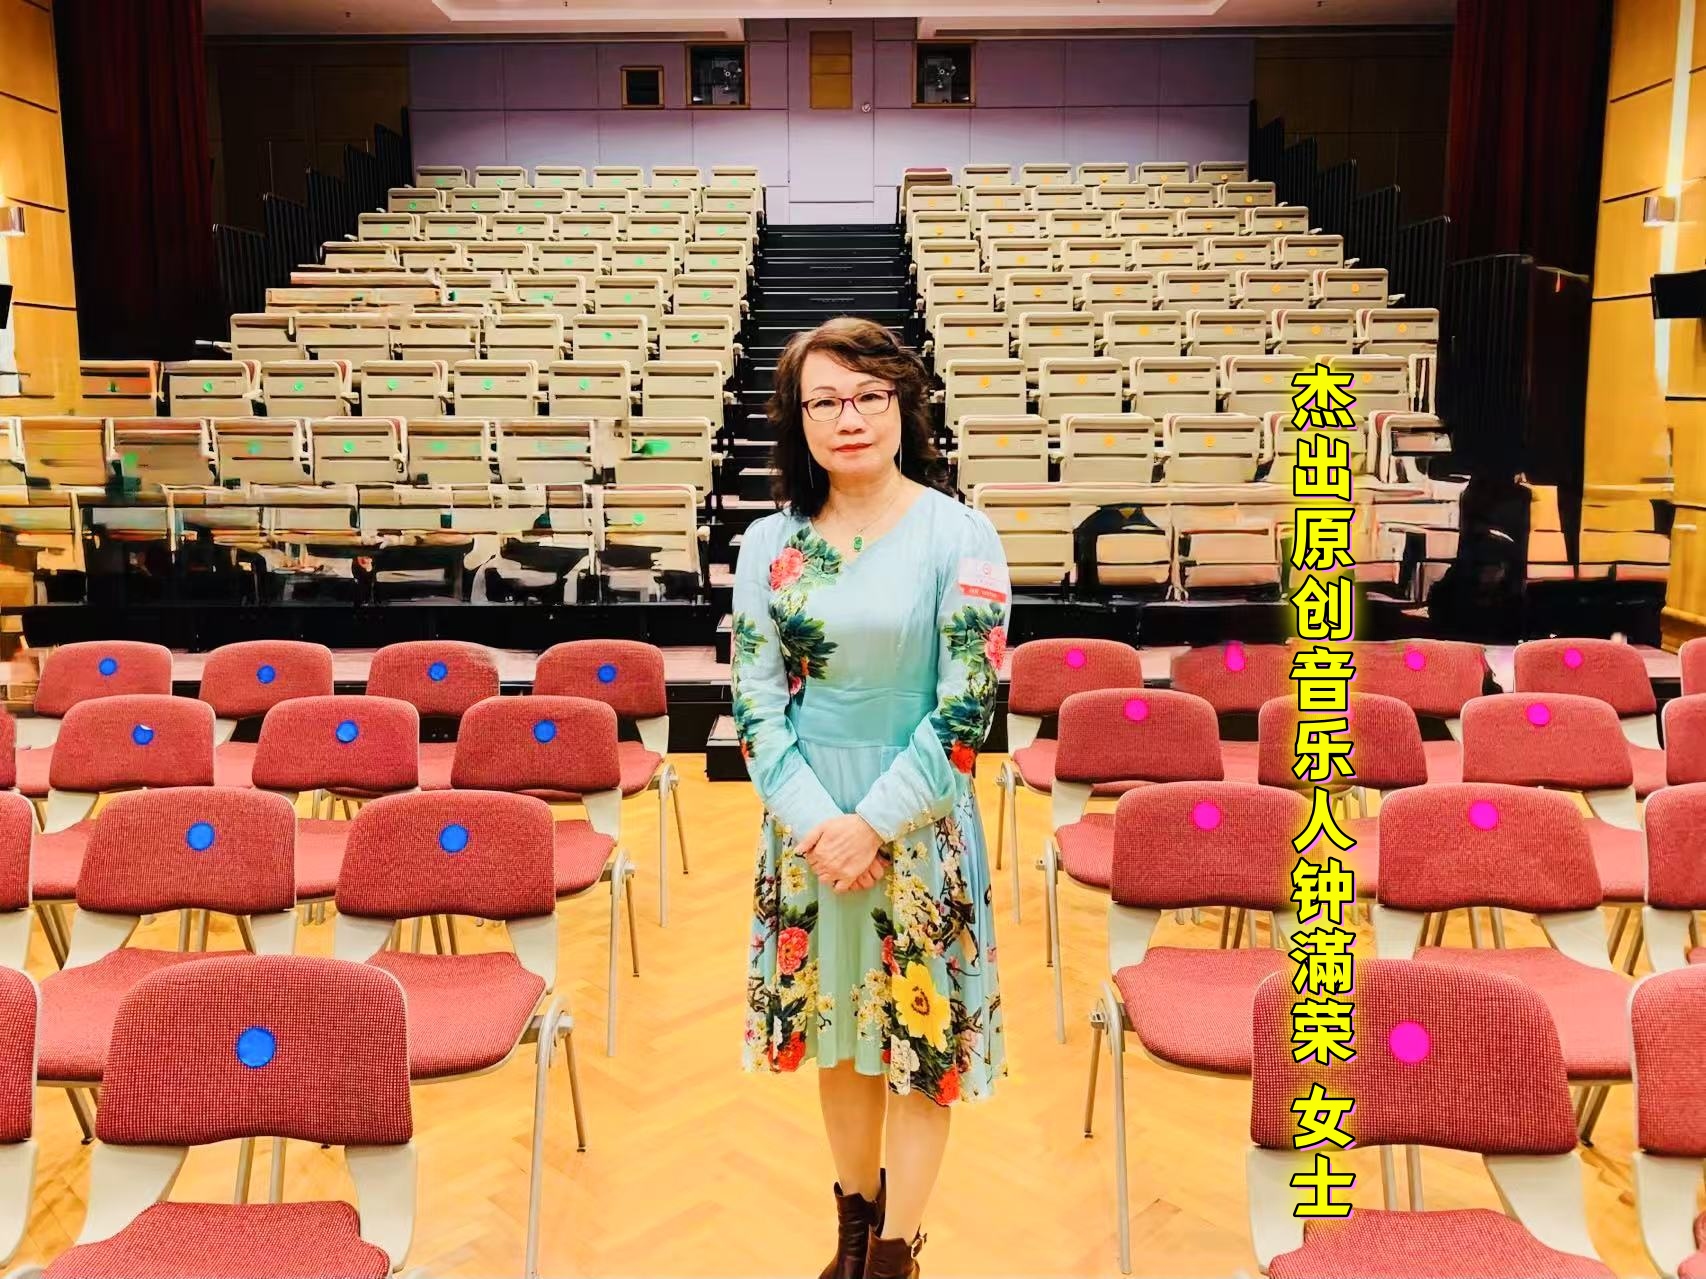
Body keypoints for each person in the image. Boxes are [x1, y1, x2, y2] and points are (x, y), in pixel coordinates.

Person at [734, 317, 1009, 1279]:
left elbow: (967, 704)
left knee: (919, 1043)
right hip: (810, 828)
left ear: (902, 406)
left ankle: (896, 1254)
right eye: (825, 401)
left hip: (920, 820)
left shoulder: (961, 535)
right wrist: (820, 825)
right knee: (842, 1038)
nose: (848, 418)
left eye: (868, 397)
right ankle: (852, 1235)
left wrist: (873, 825)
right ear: (798, 419)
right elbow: (755, 704)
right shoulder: (766, 544)